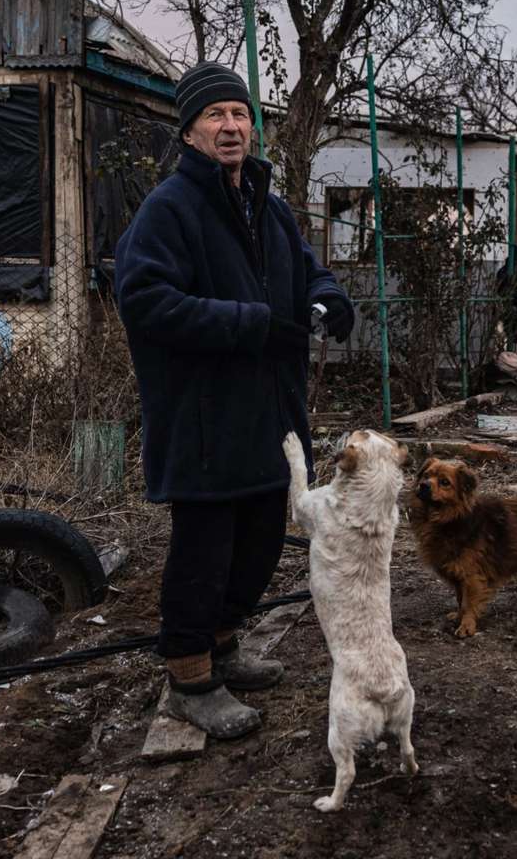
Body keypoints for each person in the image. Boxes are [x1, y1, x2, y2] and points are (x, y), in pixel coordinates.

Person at [114, 60, 355, 738]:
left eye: (240, 114)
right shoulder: (171, 208)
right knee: (205, 549)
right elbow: (144, 300)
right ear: (189, 130)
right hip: (204, 416)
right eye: (215, 116)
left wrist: (329, 298)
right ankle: (191, 678)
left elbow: (307, 269)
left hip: (267, 411)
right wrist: (249, 322)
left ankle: (225, 646)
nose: (231, 126)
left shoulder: (266, 204)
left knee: (255, 546)